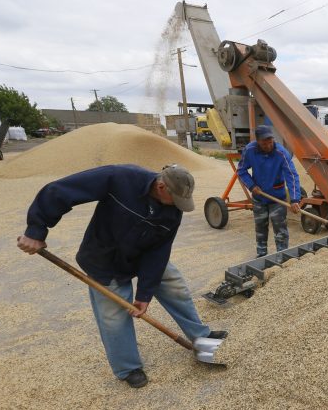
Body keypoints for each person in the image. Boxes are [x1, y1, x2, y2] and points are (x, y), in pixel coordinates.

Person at [17, 164, 227, 389]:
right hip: (104, 259)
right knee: (114, 316)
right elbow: (60, 191)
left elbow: (159, 252)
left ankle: (200, 336)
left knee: (174, 285)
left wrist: (145, 295)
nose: (177, 206)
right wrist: (36, 230)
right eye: (174, 198)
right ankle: (128, 368)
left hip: (143, 255)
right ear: (161, 185)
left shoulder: (173, 210)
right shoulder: (121, 178)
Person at [238, 125, 302, 257]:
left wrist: (295, 199)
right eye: (264, 143)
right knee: (260, 228)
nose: (268, 145)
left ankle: (283, 255)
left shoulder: (281, 153)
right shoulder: (250, 150)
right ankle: (261, 256)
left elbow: (292, 175)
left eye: (270, 142)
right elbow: (241, 171)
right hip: (259, 197)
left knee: (280, 229)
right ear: (258, 142)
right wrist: (251, 186)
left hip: (277, 198)